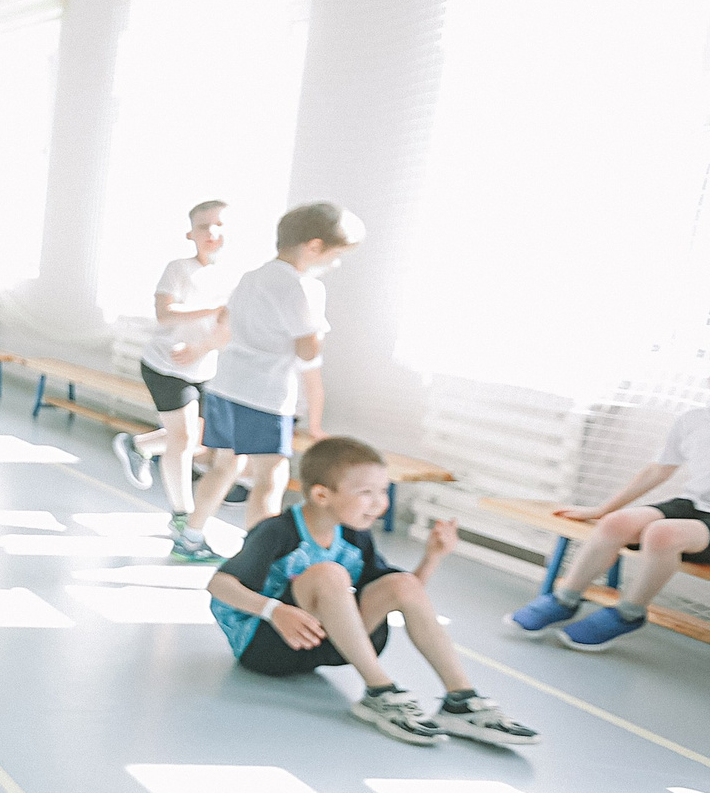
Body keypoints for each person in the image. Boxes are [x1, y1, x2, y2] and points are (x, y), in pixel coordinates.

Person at [207, 436, 540, 748]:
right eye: (366, 492)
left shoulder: (354, 535)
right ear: (322, 495)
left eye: (383, 491)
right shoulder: (277, 531)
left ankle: (461, 700)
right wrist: (274, 611)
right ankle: (380, 691)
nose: (379, 503)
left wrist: (432, 558)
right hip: (267, 644)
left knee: (401, 582)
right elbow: (219, 584)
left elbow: (399, 596)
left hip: (326, 642)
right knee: (329, 574)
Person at [184, 202, 361, 548]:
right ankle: (258, 557)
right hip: (264, 395)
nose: (335, 264)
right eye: (336, 254)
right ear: (314, 246)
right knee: (270, 478)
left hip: (225, 387)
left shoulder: (252, 277)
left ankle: (190, 535)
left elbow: (227, 327)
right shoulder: (303, 288)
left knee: (224, 467)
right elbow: (308, 351)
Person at [504, 403, 710, 651]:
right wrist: (603, 510)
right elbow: (657, 470)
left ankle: (629, 613)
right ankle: (564, 599)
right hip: (693, 504)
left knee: (661, 533)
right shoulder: (694, 419)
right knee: (615, 522)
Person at [113, 199, 237, 563]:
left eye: (219, 225)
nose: (212, 232)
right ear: (190, 233)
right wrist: (213, 311)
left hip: (204, 367)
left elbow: (230, 326)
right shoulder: (178, 269)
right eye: (203, 226)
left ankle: (139, 446)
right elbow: (164, 314)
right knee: (183, 441)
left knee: (194, 440)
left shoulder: (234, 277)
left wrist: (203, 347)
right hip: (166, 365)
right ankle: (182, 519)